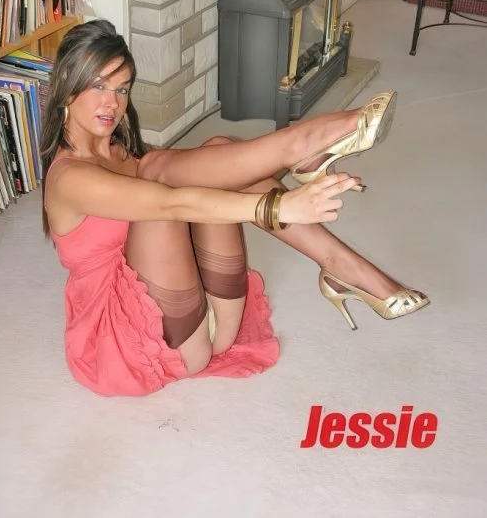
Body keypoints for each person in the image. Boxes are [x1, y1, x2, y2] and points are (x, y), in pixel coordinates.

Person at [41, 20, 429, 397]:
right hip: (135, 346)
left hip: (207, 318)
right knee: (162, 186)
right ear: (68, 85)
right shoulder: (69, 178)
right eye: (98, 86)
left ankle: (338, 257)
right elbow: (172, 203)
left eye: (122, 89)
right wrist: (279, 207)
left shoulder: (120, 151)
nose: (113, 103)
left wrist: (266, 189)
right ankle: (303, 147)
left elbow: (205, 173)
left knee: (215, 152)